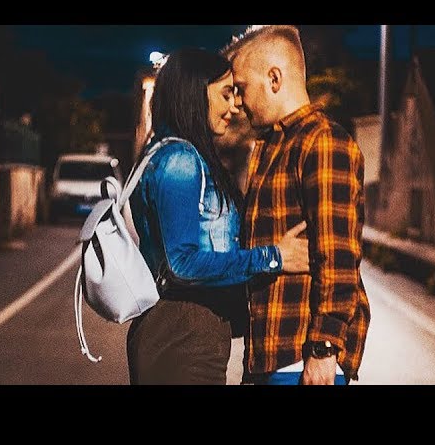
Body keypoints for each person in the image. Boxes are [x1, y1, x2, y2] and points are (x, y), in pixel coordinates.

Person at [126, 47, 310, 385]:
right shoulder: (180, 160)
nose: (235, 105)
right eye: (226, 94)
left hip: (186, 331)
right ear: (195, 93)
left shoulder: (170, 153)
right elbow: (182, 264)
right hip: (182, 333)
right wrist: (273, 257)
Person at [221, 25, 371, 385]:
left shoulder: (323, 142)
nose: (238, 102)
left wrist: (324, 348)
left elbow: (338, 255)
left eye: (242, 88)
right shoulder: (273, 146)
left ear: (274, 79)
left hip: (302, 357)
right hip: (270, 353)